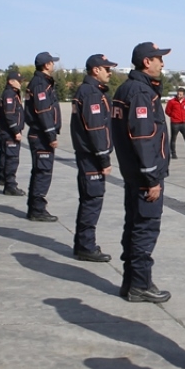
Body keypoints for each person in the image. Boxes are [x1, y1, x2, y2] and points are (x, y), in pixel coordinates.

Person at [111, 42, 173, 303]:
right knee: (144, 230)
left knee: (134, 227)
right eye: (159, 58)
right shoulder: (140, 93)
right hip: (143, 176)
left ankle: (131, 281)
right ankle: (140, 284)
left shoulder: (127, 88)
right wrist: (152, 178)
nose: (162, 63)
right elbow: (143, 136)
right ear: (146, 61)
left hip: (132, 173)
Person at [70, 54, 119, 262]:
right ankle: (86, 246)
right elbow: (96, 128)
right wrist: (104, 159)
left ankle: (83, 243)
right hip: (91, 157)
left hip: (87, 155)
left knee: (89, 200)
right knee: (92, 200)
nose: (110, 72)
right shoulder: (91, 94)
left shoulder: (89, 91)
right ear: (95, 70)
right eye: (106, 69)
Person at [24, 52, 62, 221]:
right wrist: (51, 135)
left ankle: (35, 207)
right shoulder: (40, 84)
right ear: (46, 65)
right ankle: (37, 210)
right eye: (52, 63)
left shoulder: (41, 83)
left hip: (39, 134)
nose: (53, 65)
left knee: (40, 171)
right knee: (43, 172)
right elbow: (43, 111)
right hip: (41, 135)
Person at [0, 69, 26, 196]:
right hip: (9, 133)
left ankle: (4, 179)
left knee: (5, 156)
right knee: (12, 159)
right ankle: (10, 185)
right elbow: (9, 114)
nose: (20, 83)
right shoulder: (10, 95)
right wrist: (16, 131)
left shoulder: (12, 93)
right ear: (11, 81)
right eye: (18, 81)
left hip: (6, 132)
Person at [166, 86, 185, 159]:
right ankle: (173, 153)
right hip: (175, 123)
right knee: (173, 138)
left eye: (180, 94)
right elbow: (167, 111)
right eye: (178, 94)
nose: (179, 95)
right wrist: (173, 116)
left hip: (183, 123)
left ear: (183, 95)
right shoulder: (172, 102)